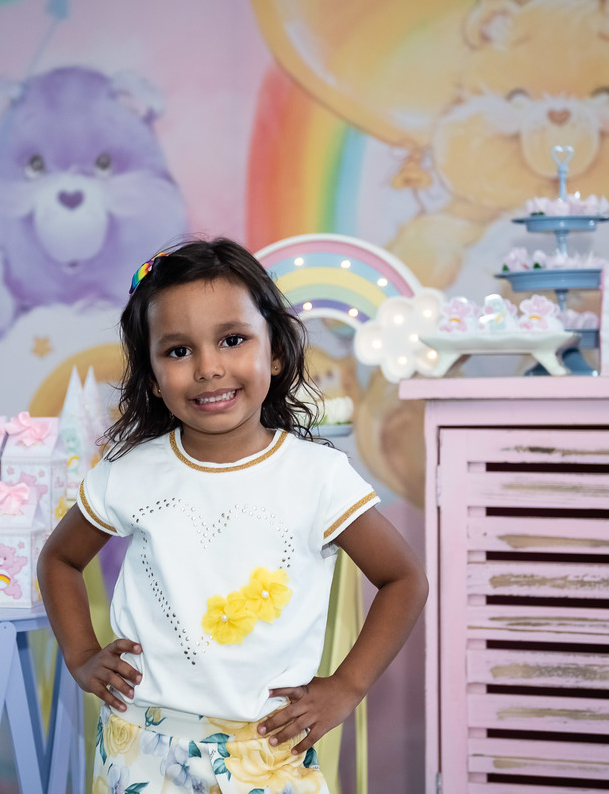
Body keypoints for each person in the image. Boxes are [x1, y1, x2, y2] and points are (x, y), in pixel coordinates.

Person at [38, 237, 428, 794]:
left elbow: (404, 578)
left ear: (275, 351)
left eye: (232, 340)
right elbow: (58, 560)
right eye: (178, 351)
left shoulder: (318, 476)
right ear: (151, 377)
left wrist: (347, 686)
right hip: (138, 746)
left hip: (268, 750)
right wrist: (81, 656)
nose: (208, 367)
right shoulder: (128, 474)